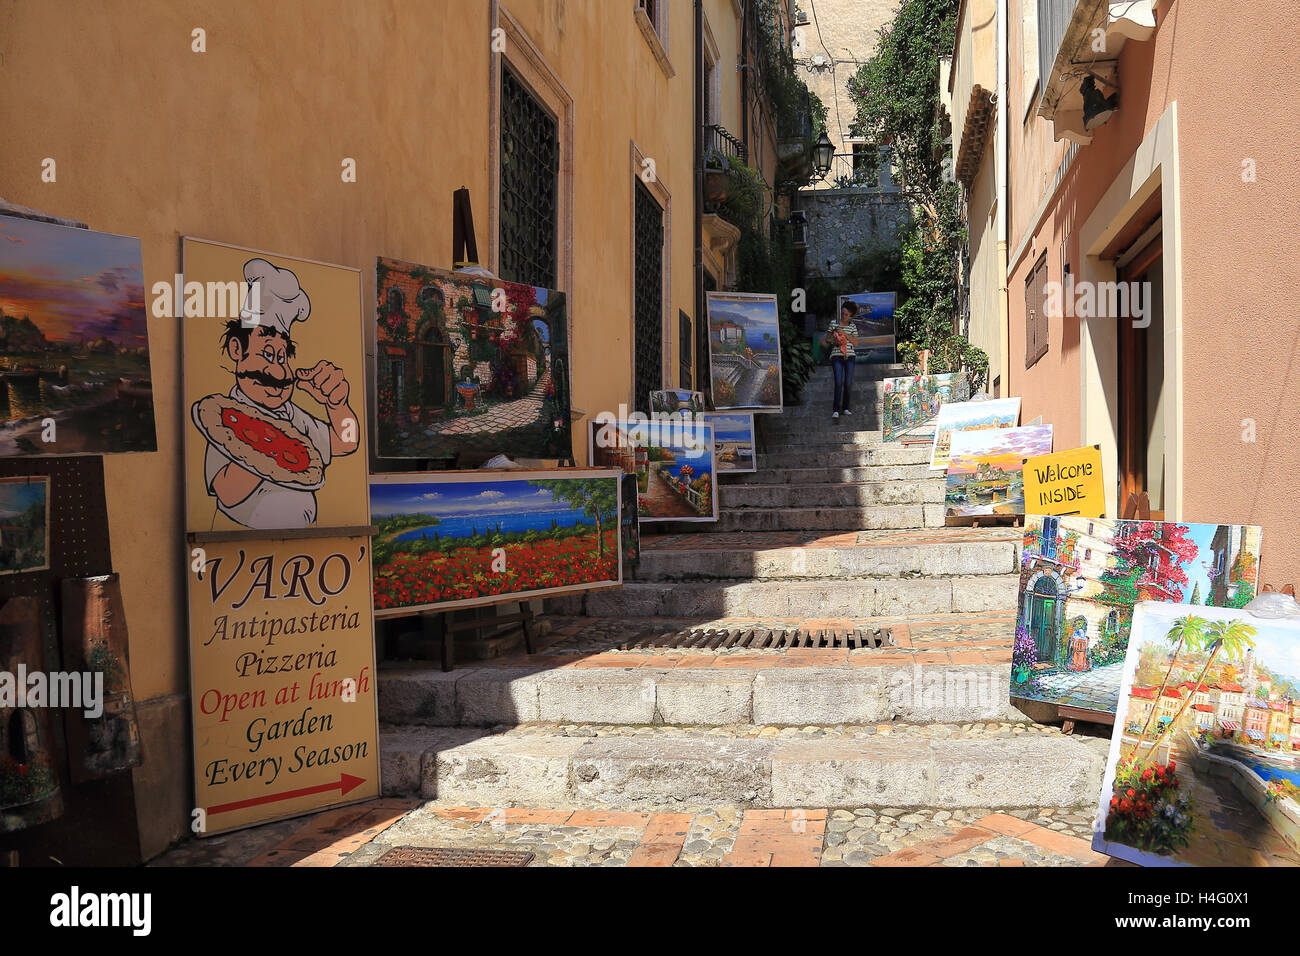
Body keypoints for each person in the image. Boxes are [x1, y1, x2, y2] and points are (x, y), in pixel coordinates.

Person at [823, 300, 858, 420]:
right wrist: (835, 341)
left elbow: (855, 342)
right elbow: (827, 340)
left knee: (848, 383)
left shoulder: (852, 326)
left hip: (850, 356)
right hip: (836, 355)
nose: (844, 316)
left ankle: (846, 408)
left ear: (851, 315)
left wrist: (845, 334)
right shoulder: (833, 323)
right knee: (838, 382)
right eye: (842, 313)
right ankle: (836, 410)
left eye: (846, 314)